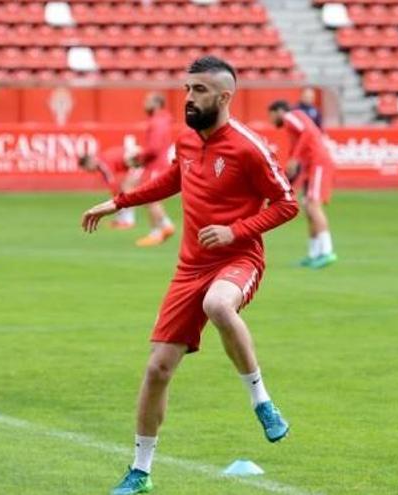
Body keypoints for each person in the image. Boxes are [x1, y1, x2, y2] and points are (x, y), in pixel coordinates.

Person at [81, 56, 298, 495]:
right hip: (190, 267)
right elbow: (170, 180)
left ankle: (262, 402)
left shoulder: (248, 147)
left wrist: (237, 230)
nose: (190, 97)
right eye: (187, 89)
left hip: (239, 260)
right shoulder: (186, 140)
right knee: (158, 369)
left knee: (217, 304)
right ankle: (141, 471)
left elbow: (287, 202)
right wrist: (118, 203)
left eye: (199, 90)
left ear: (224, 96)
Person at [268, 100, 337, 269]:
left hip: (317, 163)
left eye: (271, 115)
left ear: (279, 111)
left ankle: (327, 252)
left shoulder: (291, 116)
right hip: (310, 166)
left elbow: (307, 133)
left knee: (313, 205)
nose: (271, 120)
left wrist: (295, 158)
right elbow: (299, 144)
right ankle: (314, 254)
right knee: (308, 206)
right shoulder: (292, 126)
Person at [125, 92, 175, 247]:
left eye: (147, 101)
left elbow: (153, 148)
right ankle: (164, 226)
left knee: (151, 198)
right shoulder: (162, 120)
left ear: (156, 103)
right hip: (158, 164)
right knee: (150, 198)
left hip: (156, 165)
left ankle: (160, 230)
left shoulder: (157, 122)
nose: (144, 104)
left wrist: (139, 156)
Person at [77, 146, 139, 228]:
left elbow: (112, 183)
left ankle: (128, 221)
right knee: (122, 193)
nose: (88, 171)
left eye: (87, 168)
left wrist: (116, 197)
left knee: (126, 191)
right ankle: (121, 220)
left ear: (89, 162)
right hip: (133, 161)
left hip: (138, 162)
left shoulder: (103, 164)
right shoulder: (101, 161)